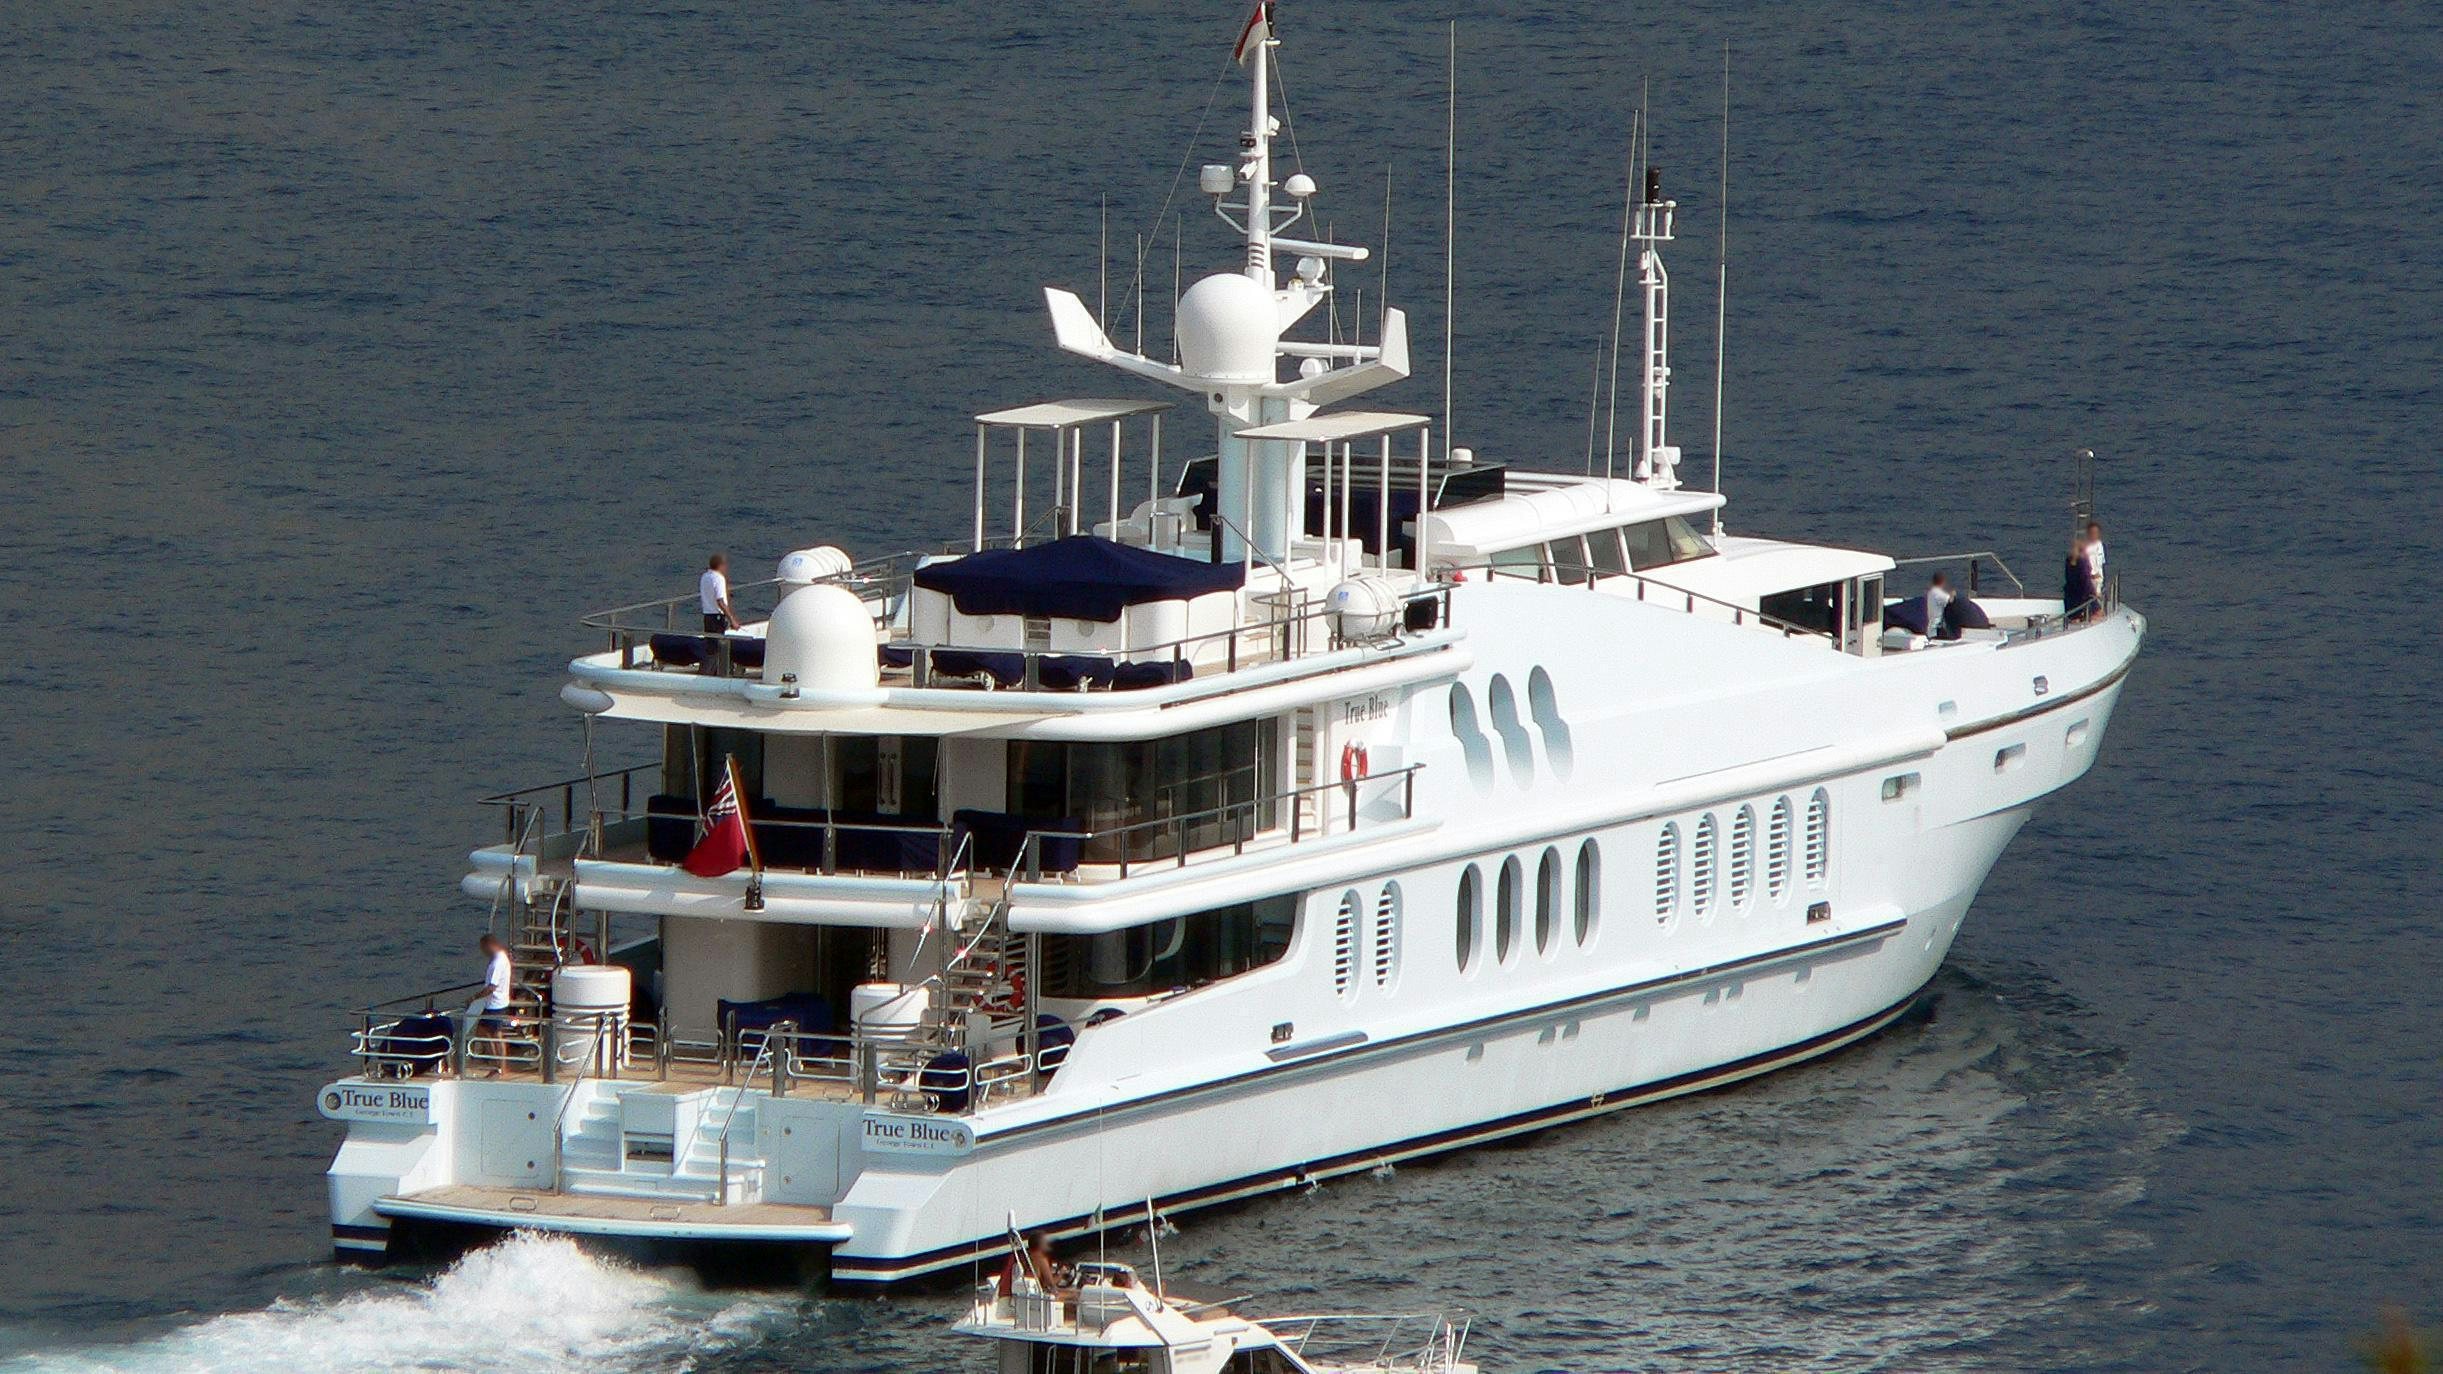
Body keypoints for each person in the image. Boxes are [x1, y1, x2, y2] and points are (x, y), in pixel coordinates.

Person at [458, 933, 514, 1077]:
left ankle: (497, 1065)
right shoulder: (502, 957)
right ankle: (499, 1065)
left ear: (489, 946)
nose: (483, 951)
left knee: (489, 1033)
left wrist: (474, 998)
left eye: (483, 948)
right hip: (500, 1001)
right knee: (493, 1034)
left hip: (495, 1004)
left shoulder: (497, 963)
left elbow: (491, 987)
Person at [2063, 533, 2099, 623]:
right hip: (2081, 595)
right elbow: (2084, 580)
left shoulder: (2071, 560)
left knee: (2074, 616)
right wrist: (2093, 593)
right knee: (2098, 613)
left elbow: (2077, 576)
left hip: (2072, 595)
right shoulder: (2081, 560)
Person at [700, 553, 739, 634]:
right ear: (720, 565)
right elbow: (720, 601)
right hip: (717, 617)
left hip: (707, 616)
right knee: (718, 640)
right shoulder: (718, 578)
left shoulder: (705, 576)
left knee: (710, 639)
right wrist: (732, 620)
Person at [1925, 571, 1955, 640]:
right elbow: (1950, 601)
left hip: (1931, 628)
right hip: (1937, 629)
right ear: (1942, 582)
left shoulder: (1931, 592)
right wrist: (1952, 595)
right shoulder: (1938, 593)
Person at [2083, 520, 2107, 598]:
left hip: (2097, 578)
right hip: (2087, 577)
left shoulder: (2099, 545)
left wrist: (2096, 574)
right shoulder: (2086, 546)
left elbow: (2100, 563)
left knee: (2096, 596)